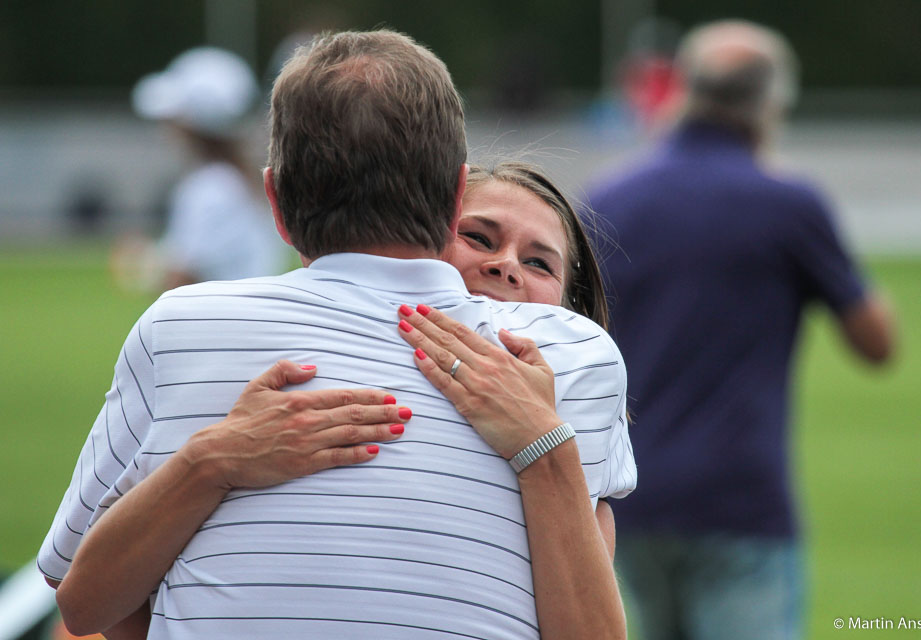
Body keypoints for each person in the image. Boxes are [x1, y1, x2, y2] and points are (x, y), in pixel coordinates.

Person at [38, 31, 634, 640]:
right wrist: (211, 461)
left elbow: (85, 602)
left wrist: (543, 448)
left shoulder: (181, 324)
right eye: (480, 237)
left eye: (540, 262)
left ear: (275, 200)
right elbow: (86, 601)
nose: (505, 268)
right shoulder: (577, 355)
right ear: (454, 201)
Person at [587, 20, 896, 640]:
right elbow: (877, 343)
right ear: (771, 100)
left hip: (628, 494)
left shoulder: (610, 199)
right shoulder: (786, 204)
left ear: (682, 90)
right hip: (739, 496)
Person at [112, 47, 287, 291]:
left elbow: (180, 281)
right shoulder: (241, 182)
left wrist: (140, 262)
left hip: (218, 326)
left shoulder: (209, 188)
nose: (166, 128)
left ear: (192, 125)